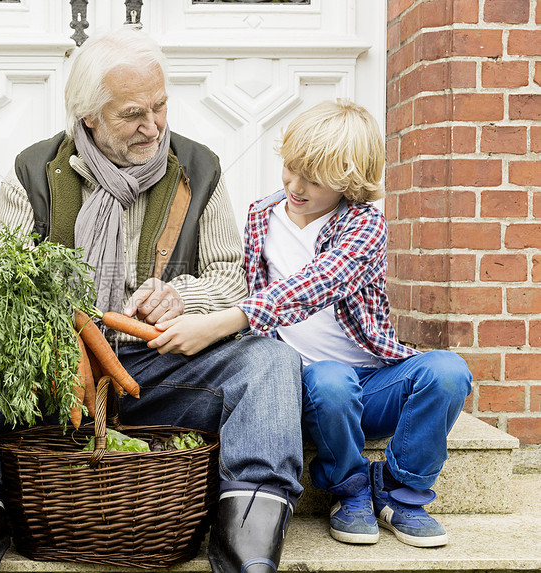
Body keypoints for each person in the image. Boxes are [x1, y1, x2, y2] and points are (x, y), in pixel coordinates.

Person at [0, 27, 304, 573]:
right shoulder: (32, 171)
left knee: (272, 362)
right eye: (132, 114)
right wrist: (59, 319)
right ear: (89, 117)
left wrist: (182, 297)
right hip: (54, 374)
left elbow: (230, 278)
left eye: (161, 105)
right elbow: (4, 283)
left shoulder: (201, 167)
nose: (154, 126)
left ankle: (249, 544)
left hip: (161, 367)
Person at [149, 99, 473, 549]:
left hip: (372, 384)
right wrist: (186, 305)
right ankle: (350, 488)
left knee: (449, 371)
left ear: (350, 183)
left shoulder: (364, 225)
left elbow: (317, 284)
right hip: (308, 387)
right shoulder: (262, 215)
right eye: (291, 169)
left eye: (314, 179)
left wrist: (224, 322)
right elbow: (243, 283)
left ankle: (402, 491)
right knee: (329, 379)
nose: (295, 186)